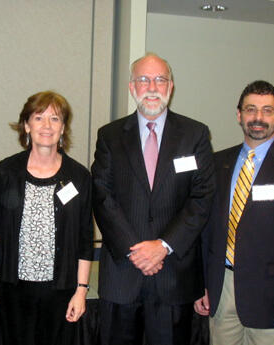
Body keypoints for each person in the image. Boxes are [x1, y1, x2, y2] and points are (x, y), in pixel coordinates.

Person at [91, 53, 215, 345]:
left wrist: (163, 246)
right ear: (132, 87)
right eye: (144, 80)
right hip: (123, 274)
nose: (152, 87)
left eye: (160, 80)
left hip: (174, 274)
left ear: (170, 87)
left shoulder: (195, 134)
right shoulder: (109, 136)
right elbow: (102, 195)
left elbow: (202, 197)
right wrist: (136, 251)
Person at [194, 80, 274, 345]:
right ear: (239, 115)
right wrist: (202, 285)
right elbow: (205, 232)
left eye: (267, 110)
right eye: (251, 109)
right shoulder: (217, 163)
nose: (258, 117)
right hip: (222, 291)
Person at [0, 91, 94, 345]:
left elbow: (84, 239)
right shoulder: (6, 172)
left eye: (55, 119)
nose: (47, 126)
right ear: (26, 125)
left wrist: (81, 291)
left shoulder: (79, 176)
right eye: (39, 118)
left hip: (61, 291)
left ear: (63, 128)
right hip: (13, 290)